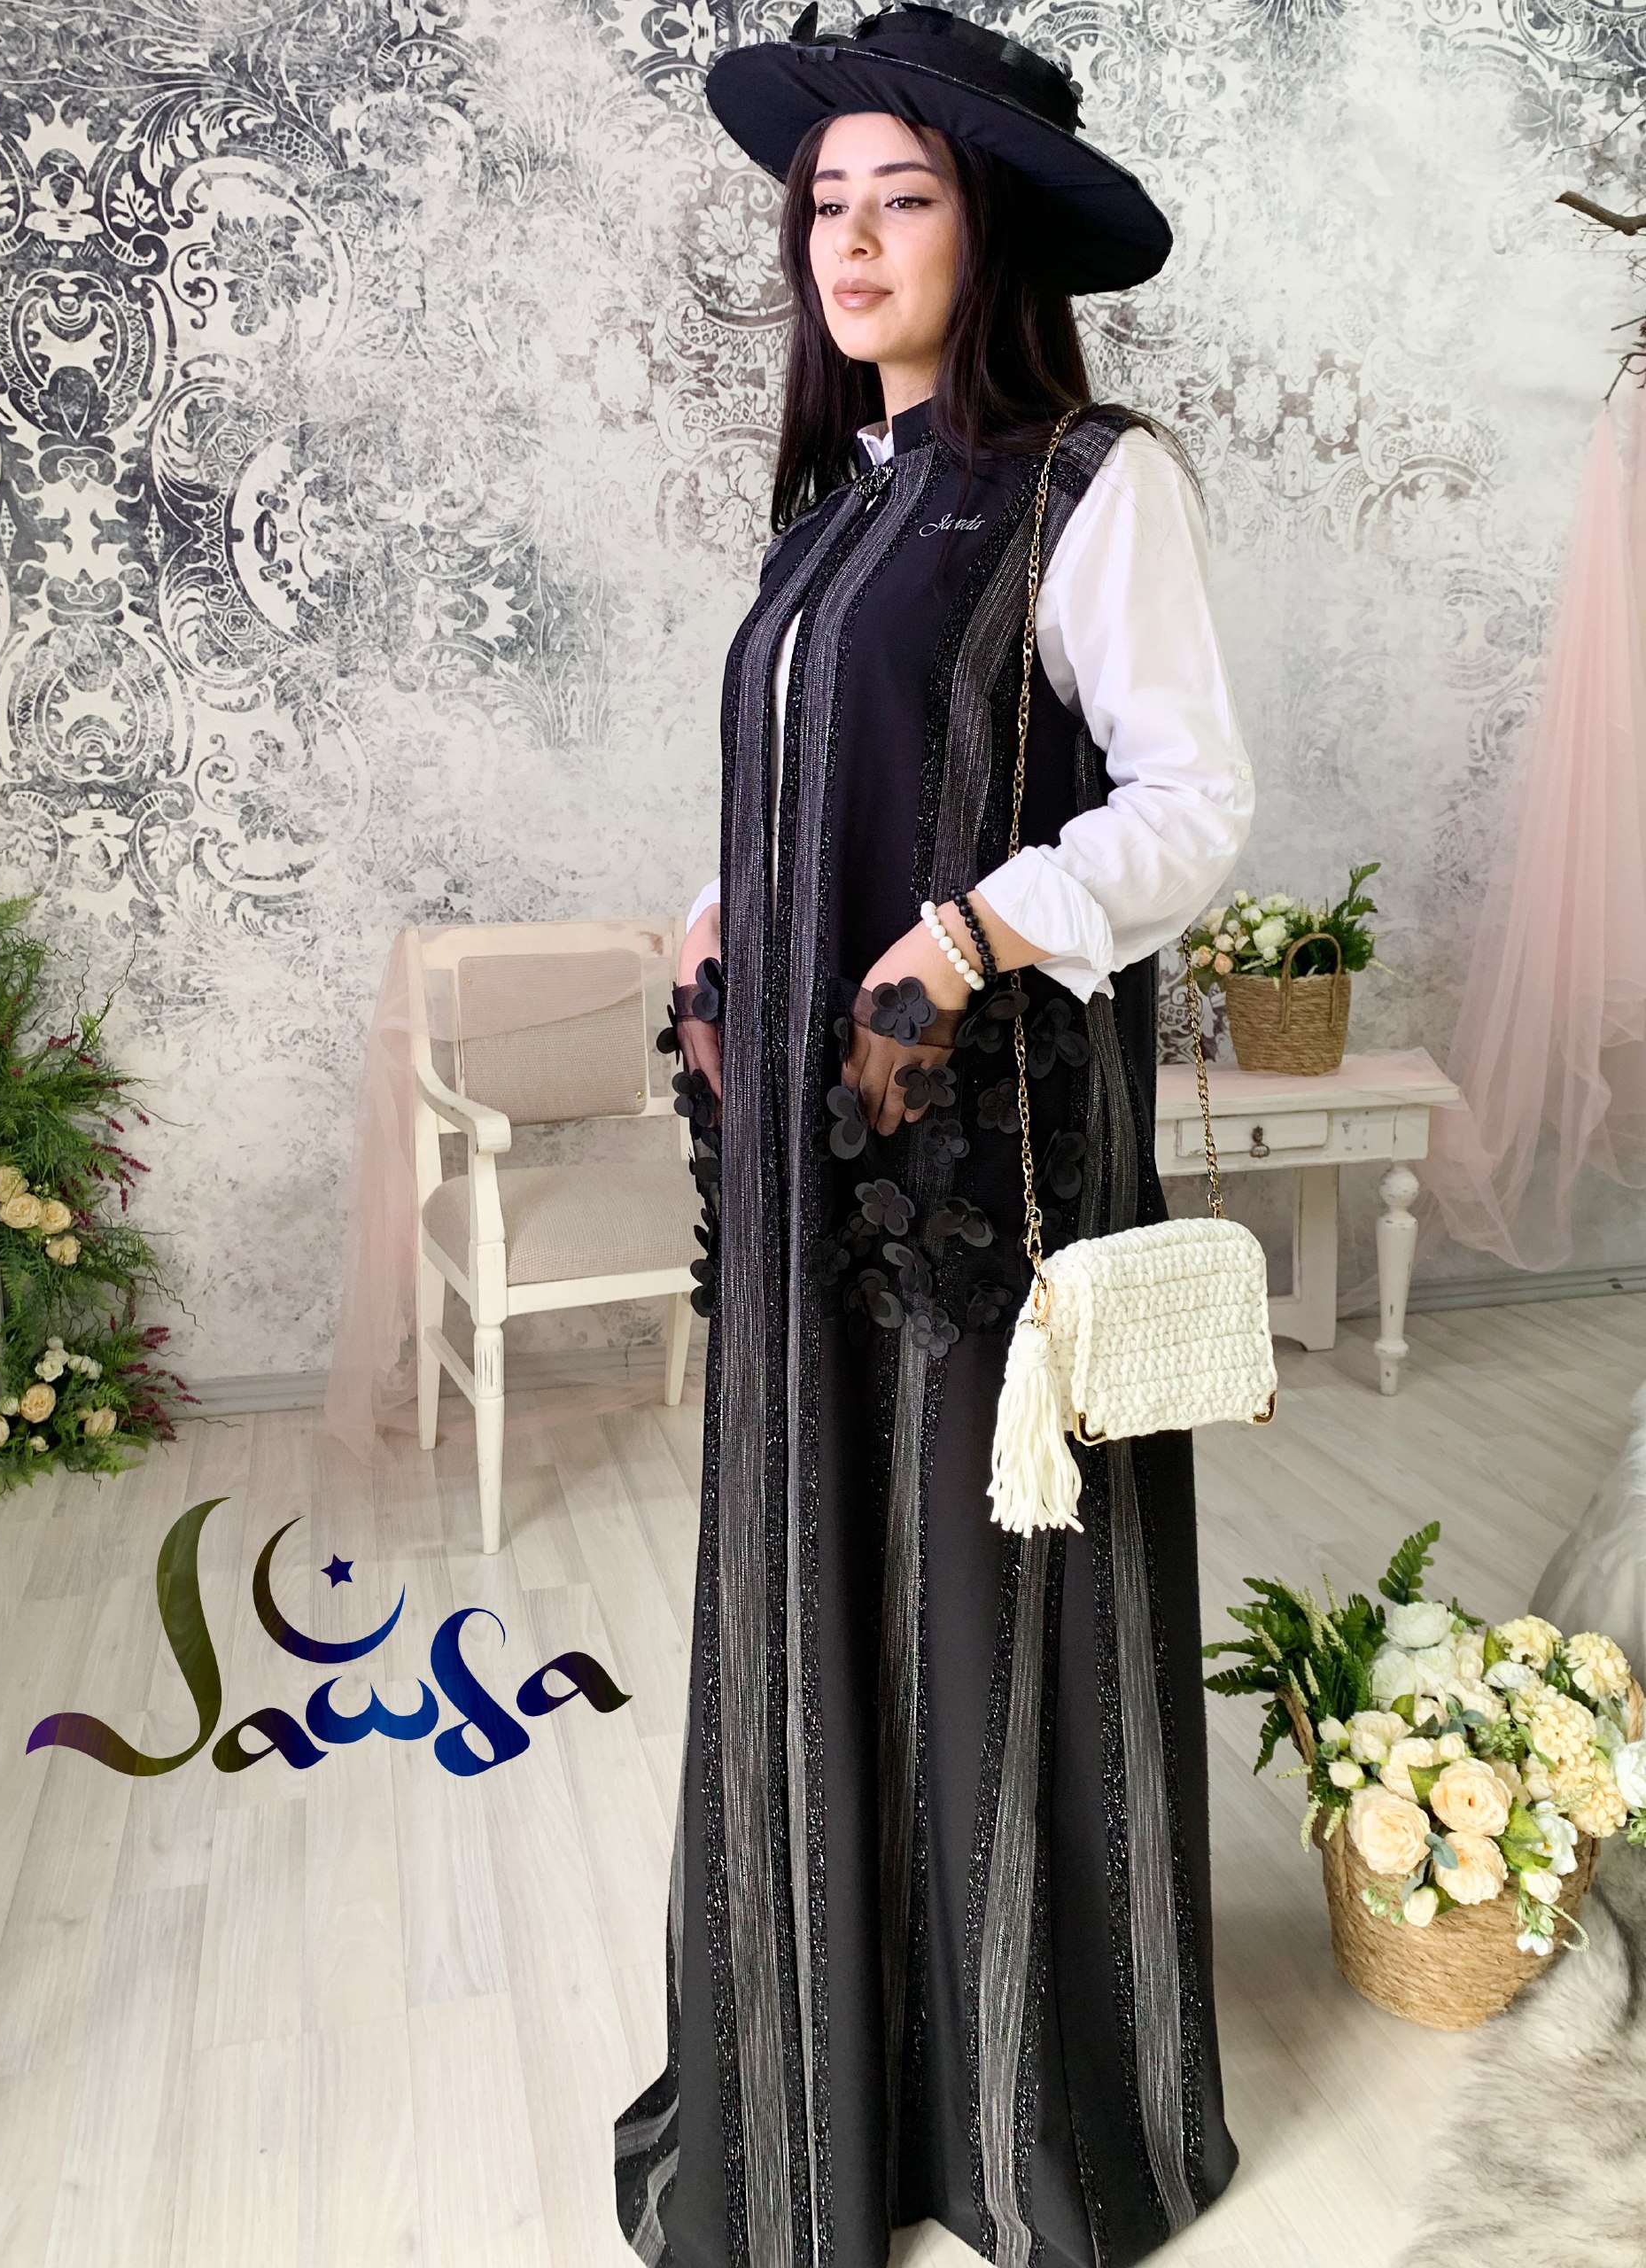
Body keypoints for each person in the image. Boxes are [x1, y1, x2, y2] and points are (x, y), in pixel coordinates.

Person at [614, 11, 1255, 2265]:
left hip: (981, 1162)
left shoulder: (1095, 483)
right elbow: (821, 780)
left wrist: (983, 930)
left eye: (905, 199)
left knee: (982, 1593)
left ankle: (1020, 2104)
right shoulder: (837, 508)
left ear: (992, 238)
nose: (853, 242)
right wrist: (724, 911)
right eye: (829, 203)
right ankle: (836, 2072)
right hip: (817, 1153)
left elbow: (1192, 805)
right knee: (823, 1558)